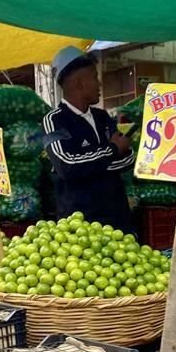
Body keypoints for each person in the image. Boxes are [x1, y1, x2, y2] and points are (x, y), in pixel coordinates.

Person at [43, 46, 135, 233]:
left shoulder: (103, 117)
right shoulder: (54, 121)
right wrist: (112, 150)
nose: (99, 84)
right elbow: (66, 165)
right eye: (94, 77)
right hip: (80, 230)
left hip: (117, 222)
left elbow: (129, 158)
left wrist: (88, 165)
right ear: (78, 83)